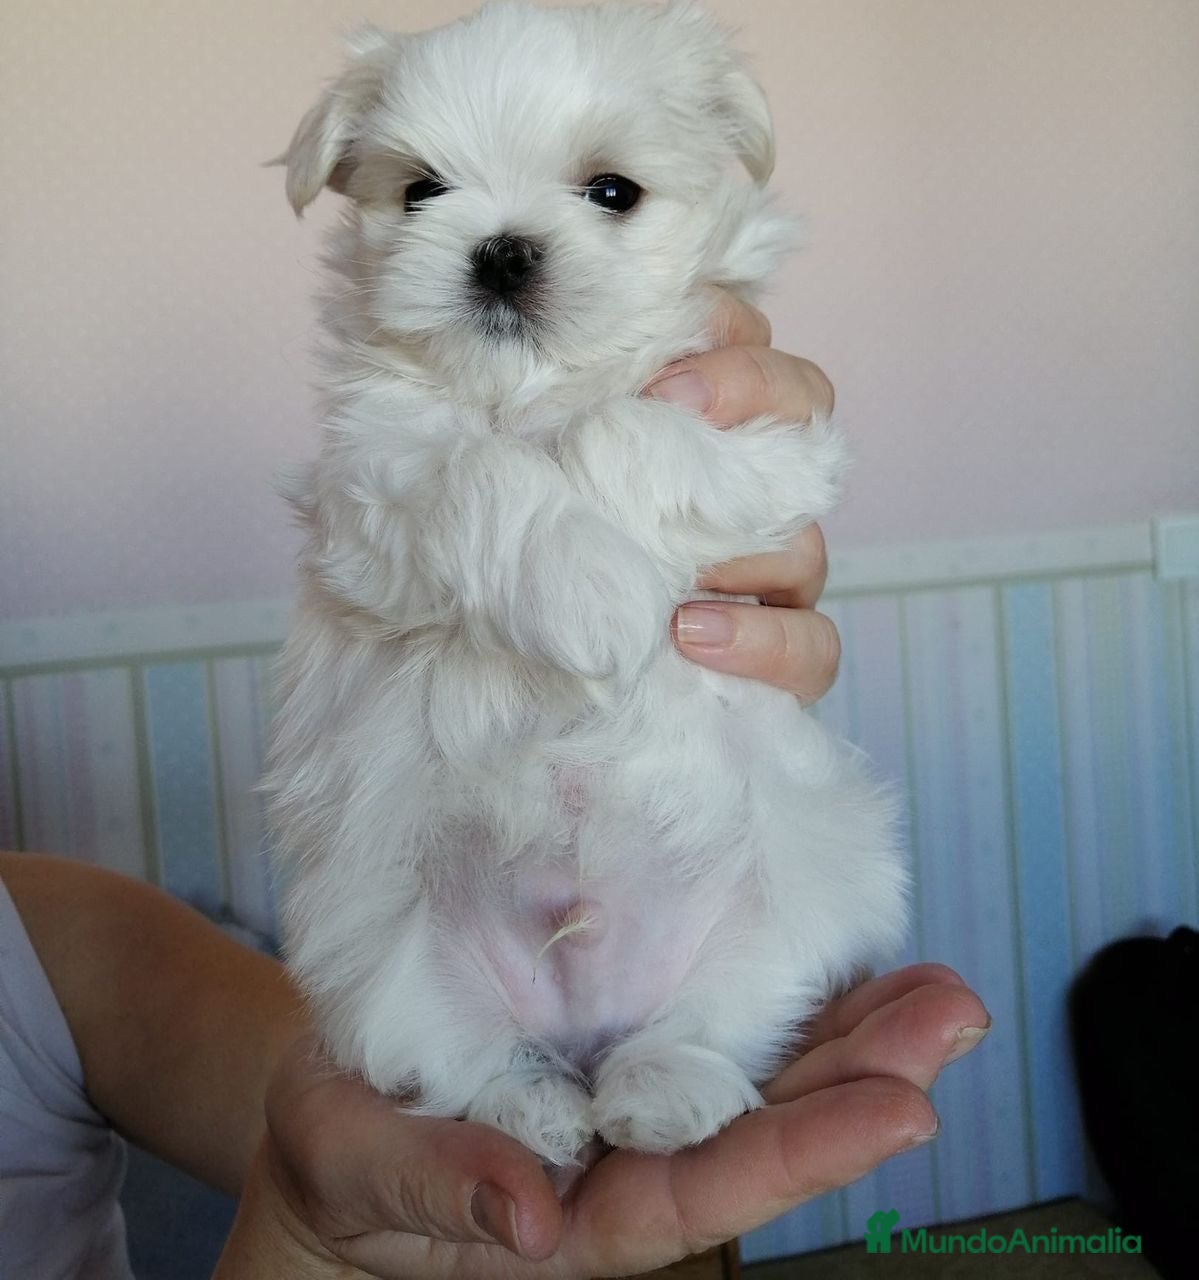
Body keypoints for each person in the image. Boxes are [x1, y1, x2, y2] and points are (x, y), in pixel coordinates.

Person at [0, 301, 989, 1278]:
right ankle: (516, 1066)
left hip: (663, 920)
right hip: (474, 950)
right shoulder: (394, 445)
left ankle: (678, 1035)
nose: (506, 251)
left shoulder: (44, 950)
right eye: (425, 189)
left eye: (607, 191)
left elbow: (786, 475)